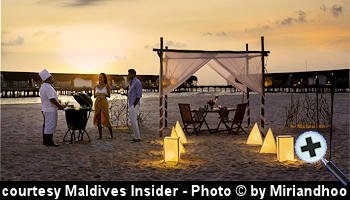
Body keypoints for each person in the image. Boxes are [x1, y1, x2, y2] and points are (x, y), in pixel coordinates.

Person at [39, 69, 64, 147]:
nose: (53, 79)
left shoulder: (43, 87)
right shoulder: (48, 87)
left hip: (45, 108)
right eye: (51, 77)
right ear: (48, 79)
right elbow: (51, 99)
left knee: (46, 125)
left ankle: (45, 141)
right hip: (50, 109)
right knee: (50, 125)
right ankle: (49, 142)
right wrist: (59, 106)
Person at [93, 73, 113, 139]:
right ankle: (100, 136)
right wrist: (97, 94)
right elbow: (94, 95)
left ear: (104, 78)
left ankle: (111, 135)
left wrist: (102, 94)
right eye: (99, 77)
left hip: (104, 102)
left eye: (101, 77)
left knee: (106, 117)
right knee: (98, 118)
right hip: (97, 102)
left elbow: (109, 96)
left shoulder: (107, 86)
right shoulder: (96, 86)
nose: (100, 78)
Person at [128, 69, 142, 142]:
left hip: (134, 104)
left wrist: (134, 104)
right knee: (132, 121)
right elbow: (131, 93)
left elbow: (139, 95)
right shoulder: (131, 82)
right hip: (131, 103)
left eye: (129, 74)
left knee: (134, 120)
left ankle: (138, 137)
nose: (128, 75)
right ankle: (136, 136)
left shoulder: (137, 82)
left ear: (133, 74)